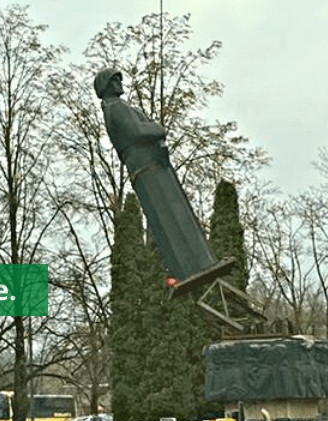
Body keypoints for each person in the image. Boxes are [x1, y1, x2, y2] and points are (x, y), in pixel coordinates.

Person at [94, 68, 232, 289]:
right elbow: (137, 132)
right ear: (108, 84)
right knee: (174, 216)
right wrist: (158, 128)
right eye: (116, 80)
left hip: (145, 168)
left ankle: (189, 267)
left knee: (167, 221)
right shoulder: (117, 108)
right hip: (150, 169)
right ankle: (199, 263)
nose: (121, 83)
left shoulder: (111, 109)